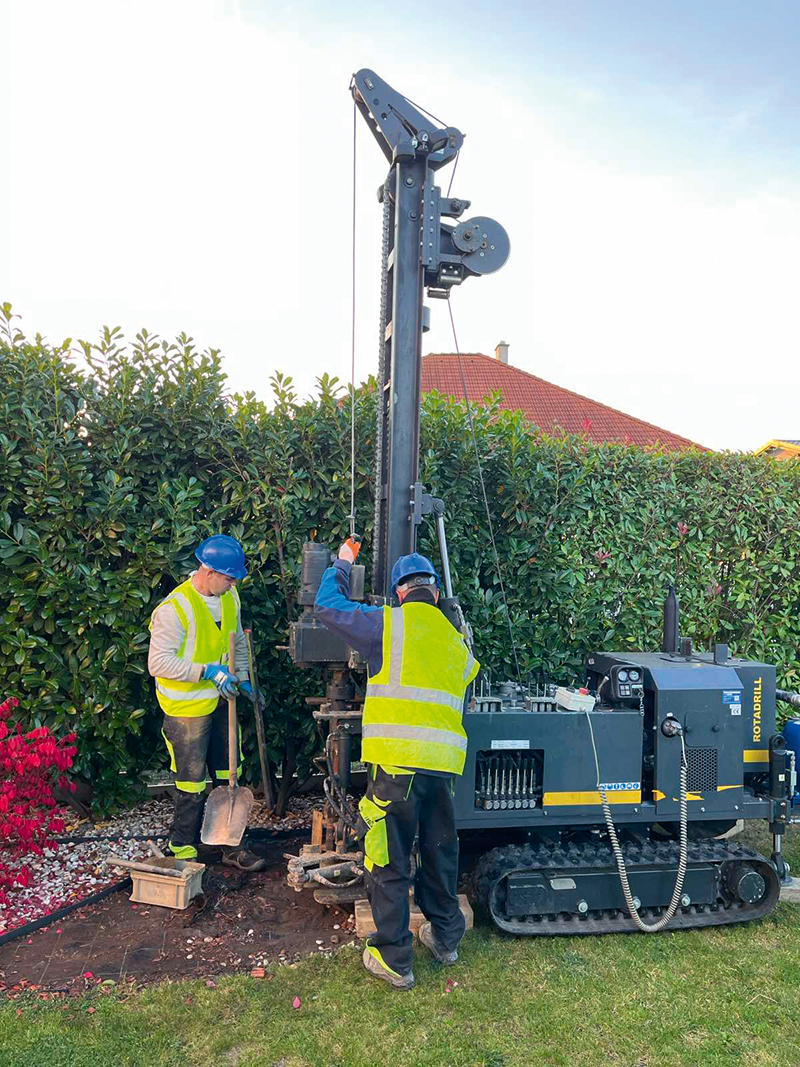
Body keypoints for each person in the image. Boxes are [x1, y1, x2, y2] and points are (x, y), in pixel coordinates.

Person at [315, 542, 479, 989]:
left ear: (399, 593)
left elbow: (327, 606)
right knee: (440, 852)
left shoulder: (386, 624)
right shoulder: (456, 640)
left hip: (396, 768)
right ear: (435, 590)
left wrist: (343, 562)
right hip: (442, 769)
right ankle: (446, 939)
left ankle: (394, 959)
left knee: (387, 857)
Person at [147, 534, 265, 872]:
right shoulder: (174, 609)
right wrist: (207, 672)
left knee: (231, 773)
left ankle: (231, 845)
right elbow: (159, 663)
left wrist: (241, 678)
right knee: (191, 781)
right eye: (228, 577)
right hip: (186, 711)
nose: (232, 584)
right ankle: (183, 848)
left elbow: (237, 641)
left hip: (222, 702)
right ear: (209, 570)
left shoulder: (230, 598)